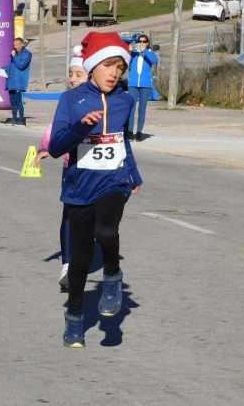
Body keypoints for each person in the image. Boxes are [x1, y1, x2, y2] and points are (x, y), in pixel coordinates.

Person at [48, 31, 143, 348]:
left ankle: (113, 275)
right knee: (80, 260)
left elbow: (122, 141)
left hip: (113, 182)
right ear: (92, 67)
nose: (115, 73)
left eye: (120, 67)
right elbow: (58, 146)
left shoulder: (124, 100)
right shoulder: (71, 100)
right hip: (80, 187)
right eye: (108, 66)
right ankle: (74, 318)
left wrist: (133, 173)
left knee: (106, 231)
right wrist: (81, 127)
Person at [32, 46, 88, 290]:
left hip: (100, 170)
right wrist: (47, 147)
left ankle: (83, 259)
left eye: (78, 74)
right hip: (72, 166)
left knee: (93, 219)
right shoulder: (68, 99)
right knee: (70, 213)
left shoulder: (103, 100)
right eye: (71, 73)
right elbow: (56, 127)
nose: (73, 79)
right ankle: (68, 264)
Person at [127, 35, 158, 142]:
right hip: (133, 83)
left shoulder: (149, 52)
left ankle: (139, 132)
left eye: (144, 41)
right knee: (131, 108)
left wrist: (144, 49)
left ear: (148, 43)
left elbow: (154, 60)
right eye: (139, 41)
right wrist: (129, 51)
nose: (141, 43)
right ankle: (130, 132)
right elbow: (126, 62)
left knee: (142, 109)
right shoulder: (134, 54)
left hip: (146, 85)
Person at [3, 37, 32, 126]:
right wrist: (3, 69)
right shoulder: (13, 54)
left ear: (22, 44)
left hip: (19, 81)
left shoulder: (26, 54)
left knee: (19, 100)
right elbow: (11, 66)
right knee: (12, 100)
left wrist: (14, 56)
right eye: (14, 45)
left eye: (17, 45)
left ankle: (21, 118)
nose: (15, 47)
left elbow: (21, 65)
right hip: (12, 80)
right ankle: (14, 118)